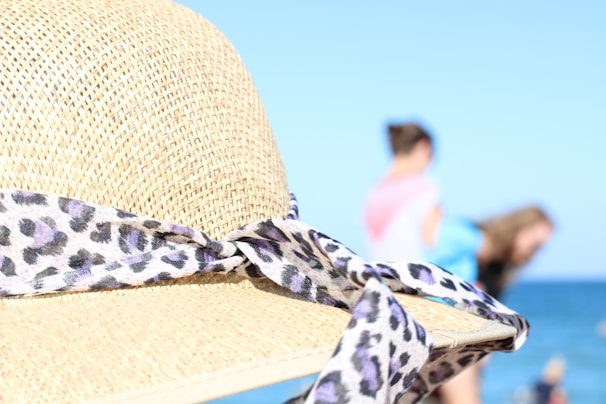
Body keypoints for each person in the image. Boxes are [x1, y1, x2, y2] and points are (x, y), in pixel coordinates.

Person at [364, 122, 440, 262]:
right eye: (431, 155)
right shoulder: (424, 186)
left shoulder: (374, 190)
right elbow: (436, 244)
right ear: (424, 147)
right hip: (416, 280)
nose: (432, 161)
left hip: (378, 278)